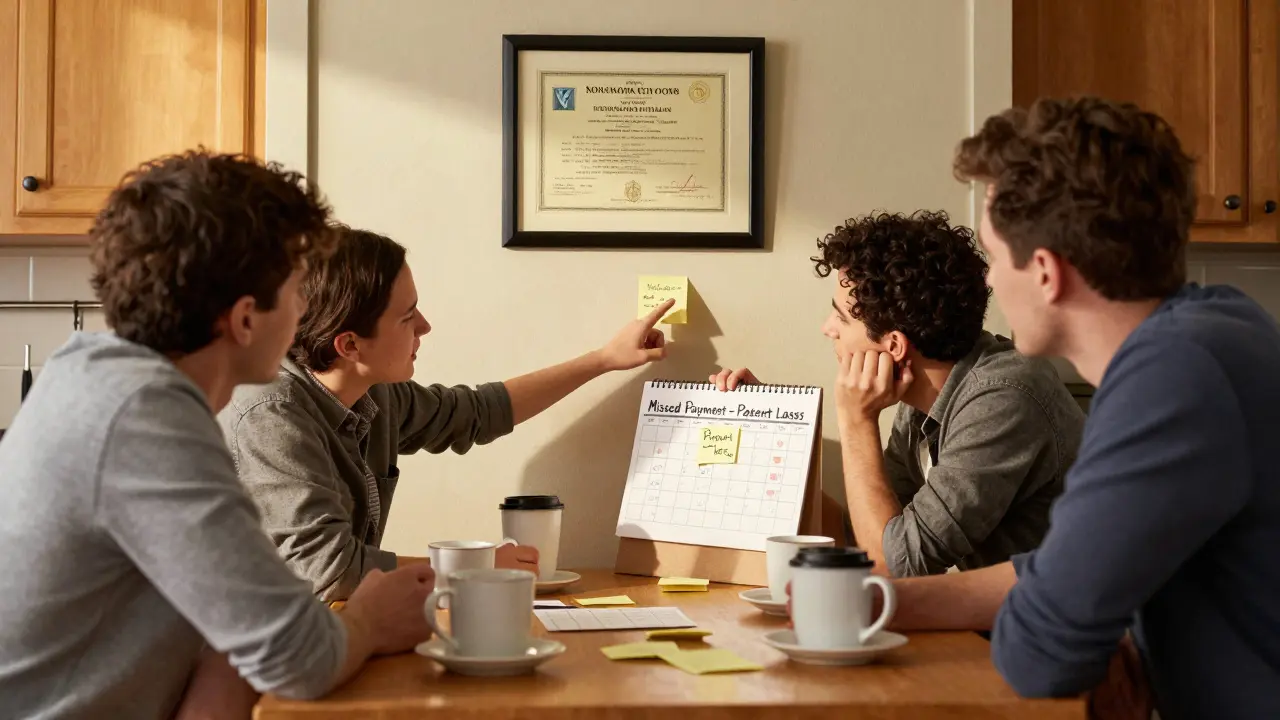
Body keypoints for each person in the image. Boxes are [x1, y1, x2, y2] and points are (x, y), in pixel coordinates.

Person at [881, 96, 1280, 718]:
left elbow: (1042, 655)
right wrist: (885, 600)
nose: (988, 282)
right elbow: (1061, 567)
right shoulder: (1215, 332)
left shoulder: (1175, 377)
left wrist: (1100, 633)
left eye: (992, 257)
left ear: (1045, 272)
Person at [0, 151, 436, 719]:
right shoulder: (142, 418)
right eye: (299, 291)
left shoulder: (97, 378)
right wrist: (371, 621)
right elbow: (297, 656)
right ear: (246, 318)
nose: (307, 314)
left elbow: (250, 635)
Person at [219, 227, 673, 602]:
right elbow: (329, 570)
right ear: (350, 344)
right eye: (407, 316)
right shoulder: (271, 415)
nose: (425, 327)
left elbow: (476, 412)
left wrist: (604, 359)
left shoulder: (375, 393)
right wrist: (472, 569)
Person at [711, 210, 1084, 577]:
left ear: (894, 346)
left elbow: (893, 566)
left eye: (841, 318)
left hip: (1063, 631)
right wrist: (777, 435)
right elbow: (862, 538)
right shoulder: (923, 395)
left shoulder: (1001, 399)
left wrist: (856, 419)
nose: (828, 328)